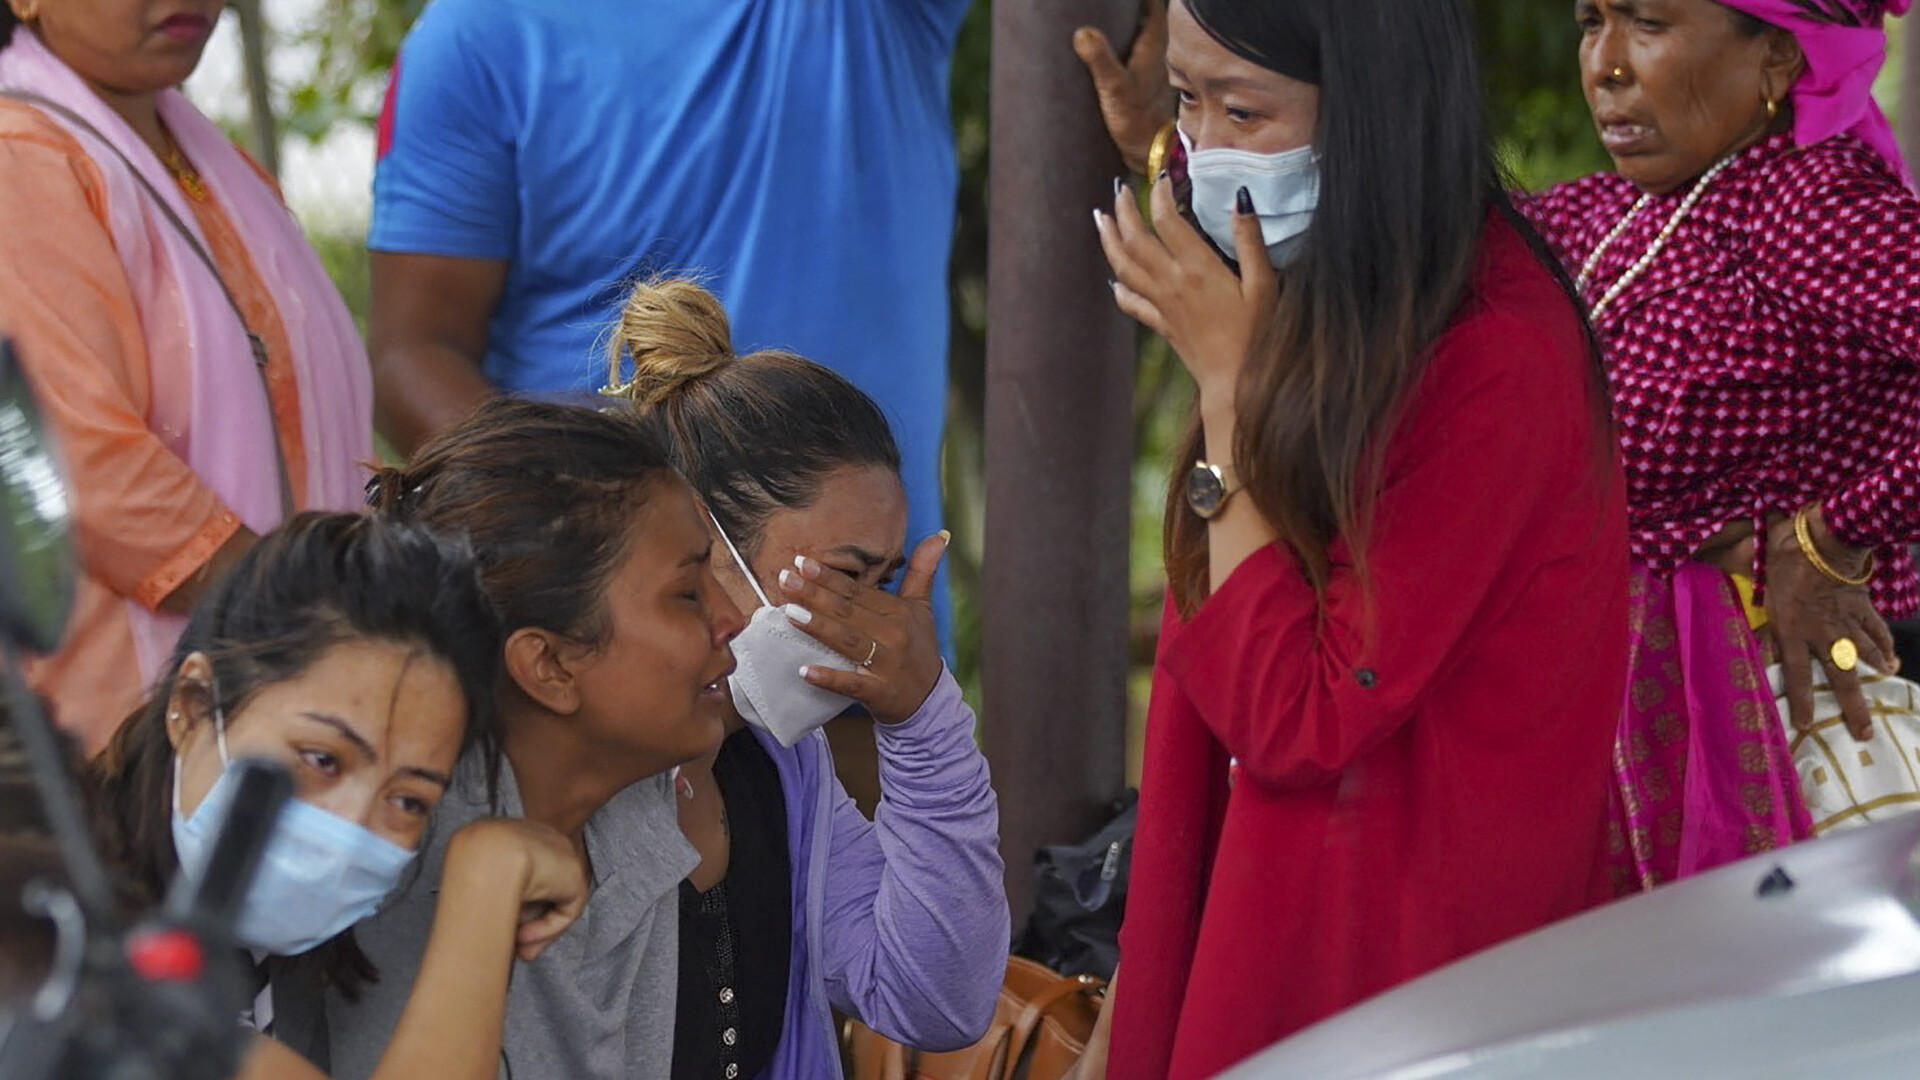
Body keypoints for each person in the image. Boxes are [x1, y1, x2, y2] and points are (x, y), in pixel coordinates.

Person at [1085, 0, 1631, 1073]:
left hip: (1395, 977)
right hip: (1262, 910)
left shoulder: (1495, 358)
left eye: (1245, 110)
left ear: (1376, 114)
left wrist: (1230, 391)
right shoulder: (1312, 288)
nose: (1205, 154)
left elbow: (1301, 715)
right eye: (1188, 104)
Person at [364, 0, 970, 644]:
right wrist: (596, 531)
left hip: (856, 645)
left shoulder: (866, 15)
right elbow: (413, 352)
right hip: (612, 655)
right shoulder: (478, 34)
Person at [1519, 0, 1920, 887]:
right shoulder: (1615, 218)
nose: (1606, 65)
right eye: (1593, 20)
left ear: (1778, 57)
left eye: (1648, 23)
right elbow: (1400, 247)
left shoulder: (1811, 208)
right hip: (1642, 714)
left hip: (1801, 721)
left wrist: (1838, 532)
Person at [602, 277, 1006, 1079]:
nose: (870, 627)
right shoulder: (578, 761)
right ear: (698, 534)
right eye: (842, 576)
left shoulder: (786, 768)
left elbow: (934, 1000)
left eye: (883, 584)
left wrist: (925, 727)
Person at [300, 399, 746, 1080]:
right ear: (549, 665)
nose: (731, 618)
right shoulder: (402, 848)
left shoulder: (638, 813)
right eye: (688, 593)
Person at [79, 511, 590, 1080]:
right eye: (321, 760)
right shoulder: (55, 933)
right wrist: (489, 875)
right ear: (194, 707)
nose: (349, 828)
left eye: (408, 801)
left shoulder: (273, 970)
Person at [0, 3, 373, 753]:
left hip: (294, 673)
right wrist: (320, 614)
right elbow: (82, 461)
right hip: (128, 721)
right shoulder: (20, 152)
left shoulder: (202, 154)